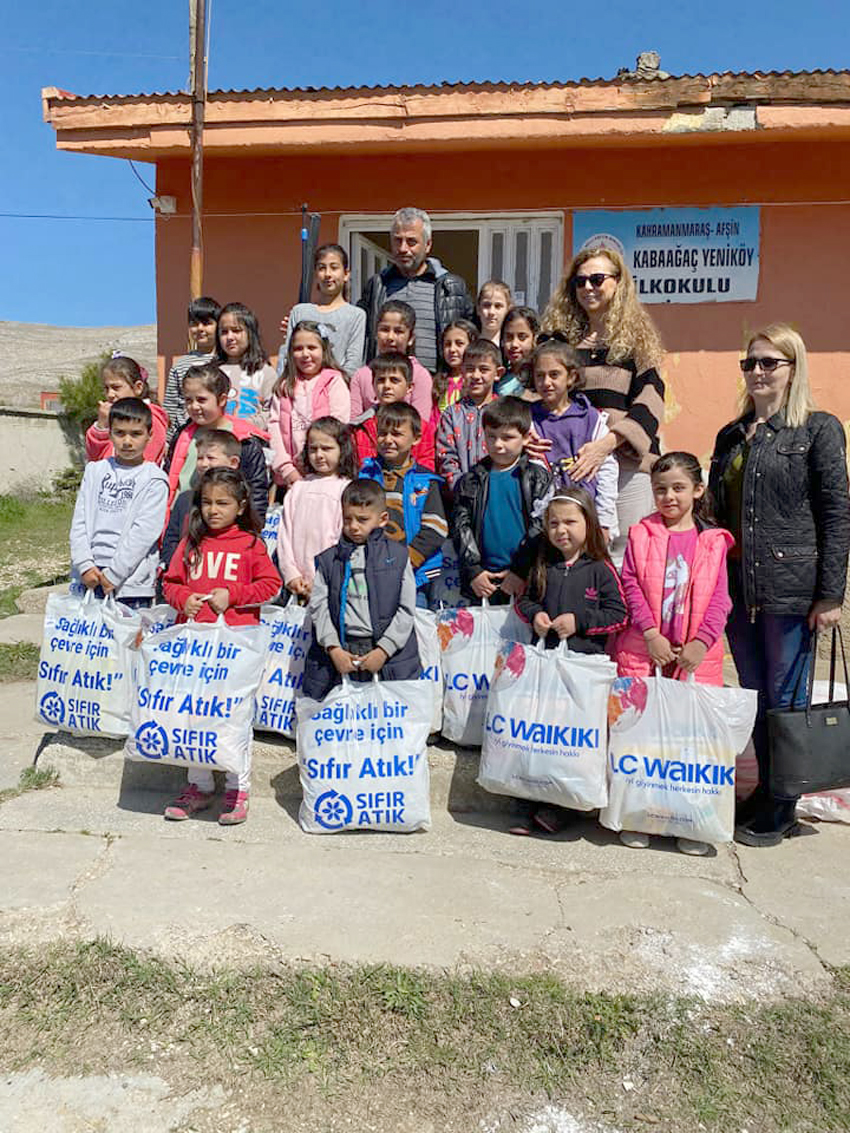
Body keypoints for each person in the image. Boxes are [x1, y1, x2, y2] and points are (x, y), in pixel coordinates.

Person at [709, 324, 850, 848]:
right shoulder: (731, 435)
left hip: (792, 587)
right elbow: (715, 513)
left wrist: (831, 594)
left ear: (794, 368)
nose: (758, 372)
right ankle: (767, 789)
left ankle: (782, 806)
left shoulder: (819, 430)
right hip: (738, 589)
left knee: (786, 700)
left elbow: (837, 514)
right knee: (755, 694)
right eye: (750, 363)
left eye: (770, 362)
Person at [615, 451, 734, 856]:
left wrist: (701, 643)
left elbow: (720, 599)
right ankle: (640, 815)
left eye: (679, 488)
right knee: (643, 740)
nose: (669, 497)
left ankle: (689, 819)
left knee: (688, 743)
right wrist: (650, 634)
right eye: (660, 489)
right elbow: (630, 586)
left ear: (698, 491)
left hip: (694, 660)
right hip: (645, 652)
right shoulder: (640, 534)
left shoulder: (713, 542)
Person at [162, 468, 281, 825]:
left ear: (241, 506)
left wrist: (234, 596)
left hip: (236, 647)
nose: (213, 510)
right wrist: (184, 600)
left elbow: (270, 584)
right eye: (207, 502)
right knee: (192, 713)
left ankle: (236, 788)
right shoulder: (191, 542)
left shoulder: (251, 544)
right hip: (193, 647)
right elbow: (170, 583)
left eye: (223, 503)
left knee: (232, 718)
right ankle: (199, 785)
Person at [513, 487, 628, 835]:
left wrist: (580, 621)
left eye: (570, 522)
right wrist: (536, 617)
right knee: (538, 734)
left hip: (582, 670)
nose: (561, 530)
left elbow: (619, 614)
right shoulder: (543, 565)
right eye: (553, 523)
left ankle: (564, 805)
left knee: (569, 740)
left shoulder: (601, 569)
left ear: (589, 524)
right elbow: (525, 601)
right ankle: (528, 799)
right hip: (544, 666)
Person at [541, 247, 665, 566]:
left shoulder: (637, 343)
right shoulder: (557, 341)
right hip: (569, 462)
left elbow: (651, 401)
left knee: (624, 555)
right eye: (579, 282)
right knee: (570, 555)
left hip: (625, 463)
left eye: (597, 279)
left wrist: (607, 444)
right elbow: (534, 390)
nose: (588, 288)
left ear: (618, 283)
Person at [302, 479, 421, 701]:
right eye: (348, 519)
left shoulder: (397, 556)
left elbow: (406, 609)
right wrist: (334, 648)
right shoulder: (330, 559)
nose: (353, 526)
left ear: (383, 519)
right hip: (342, 650)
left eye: (362, 520)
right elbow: (318, 607)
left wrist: (384, 650)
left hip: (386, 654)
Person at [70, 398, 168, 610]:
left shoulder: (154, 479)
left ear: (149, 436)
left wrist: (114, 574)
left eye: (135, 434)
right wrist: (84, 565)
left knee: (125, 641)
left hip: (130, 581)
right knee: (87, 640)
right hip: (91, 574)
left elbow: (144, 533)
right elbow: (79, 521)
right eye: (120, 433)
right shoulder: (95, 471)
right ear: (110, 433)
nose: (127, 441)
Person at [452, 396, 551, 603]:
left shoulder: (537, 478)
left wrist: (521, 572)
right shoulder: (470, 480)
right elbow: (461, 526)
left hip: (525, 579)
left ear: (525, 438)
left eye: (507, 437)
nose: (498, 444)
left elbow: (541, 526)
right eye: (491, 436)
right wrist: (473, 570)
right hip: (483, 582)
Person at [357, 206, 474, 372]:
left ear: (427, 245)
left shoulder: (451, 287)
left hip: (438, 387)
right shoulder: (378, 285)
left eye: (411, 241)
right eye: (398, 240)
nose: (403, 248)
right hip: (387, 383)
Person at [526, 340, 619, 539]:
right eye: (540, 376)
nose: (546, 382)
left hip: (588, 518)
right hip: (547, 522)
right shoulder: (528, 420)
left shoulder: (591, 419)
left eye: (554, 374)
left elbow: (607, 471)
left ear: (571, 377)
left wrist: (604, 521)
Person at [359, 402, 447, 607]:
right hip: (372, 571)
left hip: (414, 573)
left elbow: (436, 527)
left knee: (412, 629)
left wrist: (407, 560)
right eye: (382, 433)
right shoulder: (365, 476)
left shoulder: (425, 481)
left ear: (416, 438)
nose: (388, 440)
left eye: (396, 434)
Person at [164, 363, 269, 523]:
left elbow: (257, 491)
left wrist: (253, 528)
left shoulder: (245, 441)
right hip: (182, 519)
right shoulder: (182, 435)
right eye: (188, 400)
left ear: (222, 399)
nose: (194, 406)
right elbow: (169, 475)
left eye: (201, 400)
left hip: (223, 525)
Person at [277, 417, 356, 598]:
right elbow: (285, 535)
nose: (319, 455)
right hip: (296, 584)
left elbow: (341, 539)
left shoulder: (345, 489)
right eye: (313, 449)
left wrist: (321, 579)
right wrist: (291, 575)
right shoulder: (298, 488)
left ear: (342, 449)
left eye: (327, 449)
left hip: (328, 584)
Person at [269, 321, 350, 488]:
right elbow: (274, 427)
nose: (305, 354)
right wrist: (286, 469)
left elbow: (339, 425)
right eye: (298, 349)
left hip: (326, 474)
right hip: (291, 477)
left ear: (324, 350)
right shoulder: (285, 385)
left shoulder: (334, 382)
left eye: (312, 348)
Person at [160, 428, 242, 575]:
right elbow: (170, 540)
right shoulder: (185, 499)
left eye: (211, 458)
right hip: (183, 575)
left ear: (233, 462)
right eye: (199, 458)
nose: (203, 464)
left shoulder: (239, 503)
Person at [279, 243, 366, 377]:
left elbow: (352, 364)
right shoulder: (300, 312)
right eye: (322, 268)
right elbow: (288, 357)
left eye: (334, 268)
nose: (327, 274)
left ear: (346, 274)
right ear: (315, 274)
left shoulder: (356, 315)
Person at [349, 300, 433, 422]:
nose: (390, 337)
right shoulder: (361, 375)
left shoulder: (420, 375)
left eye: (398, 331)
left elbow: (421, 424)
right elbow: (354, 422)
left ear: (410, 338)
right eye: (384, 330)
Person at [436, 338, 503, 490]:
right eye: (470, 369)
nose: (476, 375)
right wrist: (463, 487)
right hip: (462, 496)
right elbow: (446, 456)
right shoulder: (452, 414)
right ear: (462, 371)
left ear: (498, 373)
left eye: (484, 369)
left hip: (498, 492)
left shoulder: (505, 411)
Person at [352, 354, 436, 470]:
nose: (386, 386)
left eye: (394, 380)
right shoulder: (360, 428)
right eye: (381, 380)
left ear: (409, 387)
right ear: (373, 384)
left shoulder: (421, 427)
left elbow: (426, 468)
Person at [85, 355, 169, 465]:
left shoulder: (150, 418)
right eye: (106, 388)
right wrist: (101, 427)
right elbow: (94, 459)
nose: (110, 395)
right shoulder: (112, 417)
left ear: (138, 387)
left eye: (116, 388)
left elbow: (144, 460)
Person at [162, 296, 221, 442]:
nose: (200, 328)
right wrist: (168, 441)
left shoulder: (226, 362)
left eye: (207, 323)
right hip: (188, 437)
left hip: (221, 434)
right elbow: (170, 407)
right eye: (194, 324)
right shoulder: (181, 365)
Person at [215, 302, 277, 429]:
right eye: (224, 332)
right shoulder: (212, 371)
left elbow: (272, 412)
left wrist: (240, 426)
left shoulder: (266, 372)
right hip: (216, 441)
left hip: (252, 442)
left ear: (250, 333)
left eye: (236, 330)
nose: (230, 337)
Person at [431, 318, 478, 420]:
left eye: (459, 343)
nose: (452, 349)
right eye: (447, 344)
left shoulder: (476, 382)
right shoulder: (437, 382)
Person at [476, 279, 512, 345]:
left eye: (498, 306)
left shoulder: (510, 348)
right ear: (478, 309)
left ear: (508, 309)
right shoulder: (469, 346)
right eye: (486, 305)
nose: (491, 312)